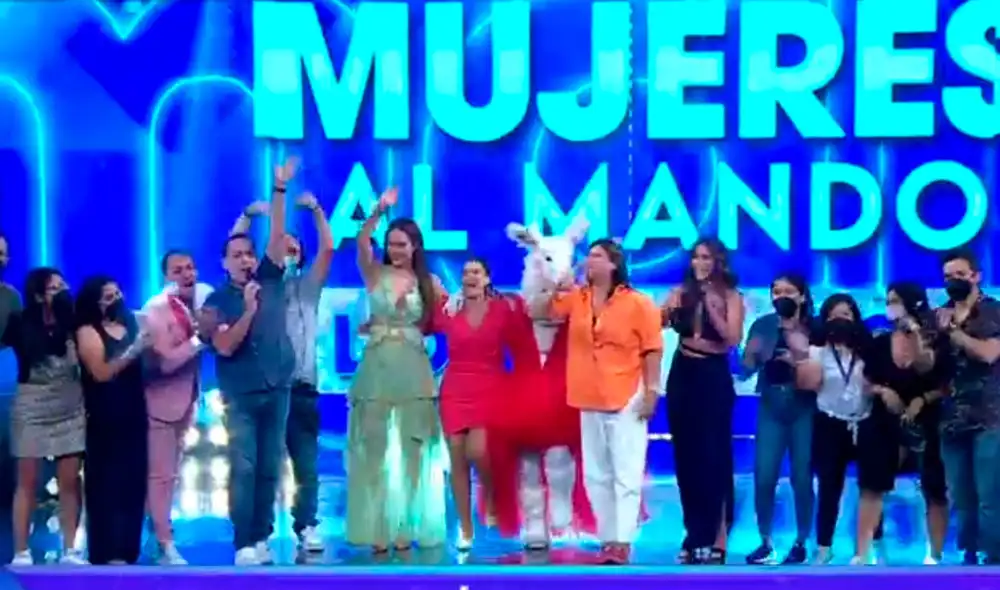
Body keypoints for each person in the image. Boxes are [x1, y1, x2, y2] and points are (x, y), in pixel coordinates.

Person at [200, 158, 298, 565]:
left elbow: (277, 237)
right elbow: (224, 346)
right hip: (241, 395)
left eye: (248, 253)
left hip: (278, 387)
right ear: (224, 262)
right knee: (243, 466)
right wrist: (249, 310)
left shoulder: (271, 278)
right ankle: (243, 540)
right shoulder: (214, 302)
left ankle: (262, 535)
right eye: (236, 254)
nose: (244, 260)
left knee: (270, 468)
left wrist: (279, 191)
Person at [543, 239, 662, 565]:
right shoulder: (577, 298)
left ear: (612, 264)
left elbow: (652, 348)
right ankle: (608, 538)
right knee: (595, 475)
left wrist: (652, 391)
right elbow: (547, 313)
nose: (589, 261)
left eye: (596, 256)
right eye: (589, 256)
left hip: (626, 394)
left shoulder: (638, 303)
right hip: (587, 395)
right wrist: (560, 285)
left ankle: (623, 541)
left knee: (626, 472)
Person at [230, 191, 334, 553]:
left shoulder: (308, 287)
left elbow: (329, 250)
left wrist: (318, 211)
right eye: (282, 248)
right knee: (264, 467)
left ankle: (306, 525)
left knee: (306, 465)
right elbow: (233, 249)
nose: (288, 253)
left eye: (294, 249)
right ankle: (260, 534)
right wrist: (246, 216)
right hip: (270, 389)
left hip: (302, 388)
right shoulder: (261, 286)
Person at [346, 189, 447, 553]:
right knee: (374, 449)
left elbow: (441, 323)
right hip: (376, 368)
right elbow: (361, 241)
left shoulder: (430, 283)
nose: (396, 250)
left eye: (402, 244)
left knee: (412, 451)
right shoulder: (374, 274)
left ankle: (406, 528)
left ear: (415, 246)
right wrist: (379, 209)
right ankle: (377, 528)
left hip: (413, 370)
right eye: (391, 243)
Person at [662, 238, 743, 564]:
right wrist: (669, 308)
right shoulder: (682, 291)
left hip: (713, 375)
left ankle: (717, 535)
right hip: (684, 373)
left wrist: (712, 307)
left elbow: (733, 338)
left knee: (714, 457)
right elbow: (658, 323)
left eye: (707, 257)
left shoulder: (731, 296)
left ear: (719, 261)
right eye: (696, 257)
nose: (701, 263)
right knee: (686, 457)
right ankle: (693, 533)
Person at [856, 282, 950, 565]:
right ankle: (864, 554)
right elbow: (866, 381)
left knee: (934, 487)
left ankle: (934, 556)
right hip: (884, 418)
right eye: (888, 300)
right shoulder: (880, 341)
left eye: (895, 300)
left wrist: (916, 334)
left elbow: (932, 372)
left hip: (927, 418)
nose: (890, 305)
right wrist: (883, 392)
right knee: (872, 484)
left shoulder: (936, 338)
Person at [4, 269, 86, 565]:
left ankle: (71, 549)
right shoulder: (20, 322)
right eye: (54, 288)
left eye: (64, 285)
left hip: (69, 405)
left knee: (70, 481)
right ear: (39, 294)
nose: (62, 291)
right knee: (27, 481)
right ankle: (21, 550)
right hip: (32, 404)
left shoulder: (75, 321)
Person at [141, 250, 213, 565]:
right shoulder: (155, 310)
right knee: (160, 475)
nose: (187, 274)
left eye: (191, 267)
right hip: (158, 403)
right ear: (166, 277)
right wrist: (200, 339)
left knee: (168, 475)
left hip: (186, 401)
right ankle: (164, 542)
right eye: (178, 270)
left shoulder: (196, 305)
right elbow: (166, 363)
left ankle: (155, 534)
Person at [430, 257, 505, 550]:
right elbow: (422, 322)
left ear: (487, 279)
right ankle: (465, 527)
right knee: (457, 457)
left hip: (489, 387)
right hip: (455, 388)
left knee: (478, 449)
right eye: (465, 272)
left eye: (476, 272)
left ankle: (492, 496)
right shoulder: (451, 309)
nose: (469, 276)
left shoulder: (502, 310)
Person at [741, 272, 815, 565]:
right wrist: (749, 355)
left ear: (802, 296)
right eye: (776, 292)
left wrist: (798, 359)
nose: (780, 297)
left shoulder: (814, 327)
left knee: (801, 475)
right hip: (771, 403)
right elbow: (745, 370)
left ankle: (801, 541)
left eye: (788, 291)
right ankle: (765, 540)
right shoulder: (763, 325)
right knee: (765, 474)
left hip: (804, 406)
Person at [75, 276, 149, 565]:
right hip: (104, 414)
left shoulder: (131, 324)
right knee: (106, 482)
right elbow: (101, 373)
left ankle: (128, 549)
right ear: (95, 301)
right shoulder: (87, 331)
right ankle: (105, 550)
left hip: (134, 410)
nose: (115, 298)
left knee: (133, 480)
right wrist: (134, 350)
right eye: (108, 295)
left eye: (118, 292)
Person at [794, 293, 871, 565]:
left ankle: (869, 548)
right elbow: (806, 384)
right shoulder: (816, 352)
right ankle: (824, 548)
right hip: (830, 423)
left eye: (846, 316)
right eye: (834, 316)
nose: (841, 321)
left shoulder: (867, 351)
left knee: (871, 487)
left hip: (865, 423)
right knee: (829, 487)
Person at [935, 248, 1000, 565]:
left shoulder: (993, 312)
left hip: (991, 416)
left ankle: (995, 557)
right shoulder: (939, 314)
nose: (954, 281)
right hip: (951, 419)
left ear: (976, 276)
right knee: (961, 496)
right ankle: (969, 555)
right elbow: (927, 368)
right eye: (948, 277)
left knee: (990, 494)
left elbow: (989, 354)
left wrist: (954, 333)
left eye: (960, 275)